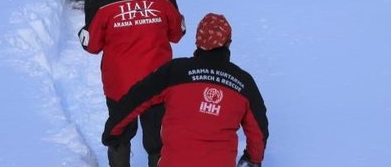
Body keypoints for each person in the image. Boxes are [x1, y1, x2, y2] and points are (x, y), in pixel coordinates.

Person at [102, 13, 268, 167]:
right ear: (228, 42)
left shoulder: (175, 71)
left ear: (198, 41)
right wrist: (253, 159)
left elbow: (135, 99)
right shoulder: (243, 83)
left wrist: (113, 131)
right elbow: (258, 131)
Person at [80, 0, 186, 167]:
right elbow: (177, 34)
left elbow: (91, 46)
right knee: (158, 140)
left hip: (120, 86)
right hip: (158, 84)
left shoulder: (103, 6)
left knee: (119, 135)